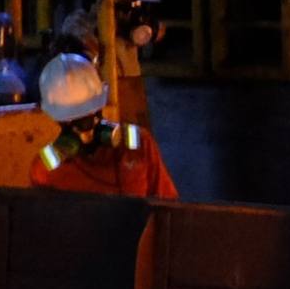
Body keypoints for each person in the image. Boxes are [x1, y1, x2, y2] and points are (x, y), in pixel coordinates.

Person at [29, 53, 178, 198]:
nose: (85, 129)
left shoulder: (137, 143)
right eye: (73, 119)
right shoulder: (46, 166)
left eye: (88, 115)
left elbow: (168, 208)